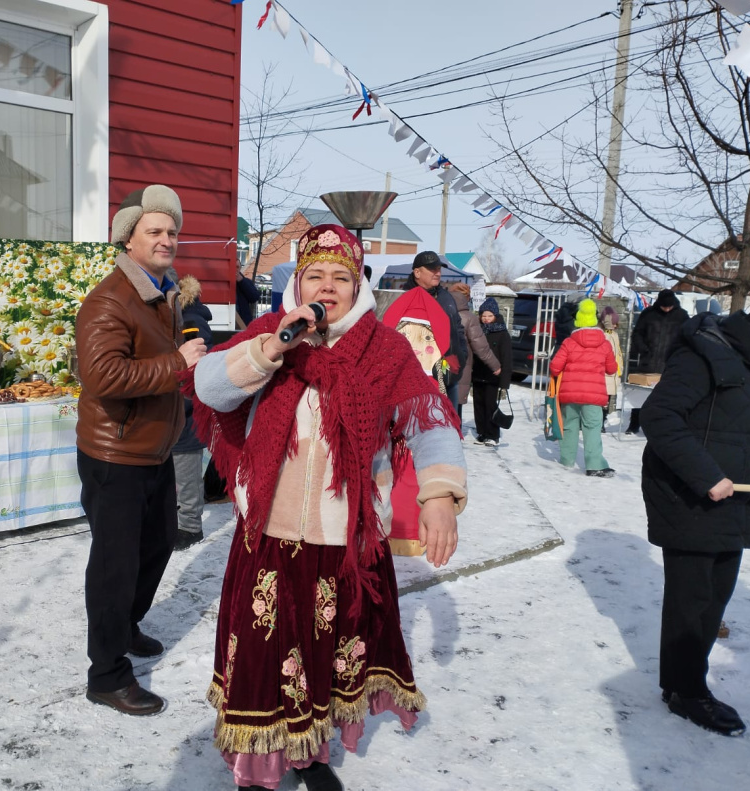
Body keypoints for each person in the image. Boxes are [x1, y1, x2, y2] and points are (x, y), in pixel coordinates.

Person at [188, 224, 467, 791]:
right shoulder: (271, 333)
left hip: (347, 538)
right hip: (269, 529)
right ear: (298, 281)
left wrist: (440, 495)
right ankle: (258, 764)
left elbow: (431, 420)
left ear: (359, 285)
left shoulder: (385, 349)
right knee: (267, 657)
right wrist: (272, 349)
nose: (328, 285)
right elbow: (211, 388)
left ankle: (310, 754)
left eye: (342, 276)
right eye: (315, 274)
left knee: (327, 654)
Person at [75, 184, 207, 716]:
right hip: (115, 453)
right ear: (127, 239)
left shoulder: (162, 294)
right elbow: (102, 376)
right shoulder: (112, 299)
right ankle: (106, 674)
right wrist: (178, 363)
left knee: (156, 546)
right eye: (154, 231)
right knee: (114, 566)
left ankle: (126, 626)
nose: (166, 239)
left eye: (172, 231)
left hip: (155, 448)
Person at [641, 296, 750, 736]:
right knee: (693, 602)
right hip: (689, 496)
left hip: (732, 502)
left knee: (713, 599)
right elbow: (659, 416)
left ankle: (686, 684)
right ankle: (685, 692)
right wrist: (706, 475)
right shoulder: (703, 354)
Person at [548, 299, 618, 477]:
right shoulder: (604, 343)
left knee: (570, 425)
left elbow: (555, 367)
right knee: (592, 427)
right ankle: (594, 464)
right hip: (594, 395)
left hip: (569, 394)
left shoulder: (569, 342)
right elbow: (612, 369)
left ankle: (567, 460)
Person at [172, 274, 215, 551]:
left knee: (186, 476)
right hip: (169, 411)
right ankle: (175, 521)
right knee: (171, 476)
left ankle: (190, 527)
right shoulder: (168, 315)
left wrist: (183, 400)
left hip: (184, 414)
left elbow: (198, 367)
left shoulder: (190, 320)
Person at [402, 250, 469, 412]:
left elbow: (458, 328)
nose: (438, 273)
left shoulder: (446, 296)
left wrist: (461, 354)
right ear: (417, 272)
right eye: (432, 269)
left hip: (449, 374)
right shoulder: (405, 298)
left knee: (450, 426)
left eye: (439, 269)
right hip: (418, 379)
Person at [626, 289, 689, 434]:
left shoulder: (682, 316)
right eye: (664, 306)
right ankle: (634, 424)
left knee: (666, 398)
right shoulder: (648, 314)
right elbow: (637, 334)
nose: (667, 309)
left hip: (670, 364)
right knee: (639, 396)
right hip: (648, 360)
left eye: (669, 306)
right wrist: (643, 349)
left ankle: (662, 425)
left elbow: (687, 338)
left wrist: (677, 354)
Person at [448, 282, 500, 427]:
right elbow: (481, 346)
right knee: (455, 406)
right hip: (460, 367)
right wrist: (495, 366)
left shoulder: (438, 310)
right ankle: (454, 440)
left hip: (438, 366)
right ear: (466, 298)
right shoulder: (469, 318)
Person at [471, 297, 513, 447]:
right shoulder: (477, 331)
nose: (486, 319)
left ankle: (493, 434)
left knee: (490, 405)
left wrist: (505, 380)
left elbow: (507, 357)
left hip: (493, 376)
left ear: (495, 316)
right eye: (484, 316)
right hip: (478, 373)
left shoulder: (502, 333)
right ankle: (482, 432)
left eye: (489, 316)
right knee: (478, 405)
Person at [599, 306, 624, 432]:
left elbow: (618, 353)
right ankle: (598, 423)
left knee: (607, 400)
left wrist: (620, 368)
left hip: (613, 373)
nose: (615, 326)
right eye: (613, 323)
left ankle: (602, 421)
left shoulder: (614, 335)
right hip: (604, 373)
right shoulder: (602, 335)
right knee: (600, 400)